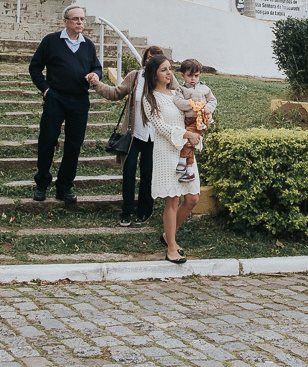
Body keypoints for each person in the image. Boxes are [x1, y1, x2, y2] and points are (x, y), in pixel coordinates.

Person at [88, 45, 173, 227]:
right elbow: (115, 93)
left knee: (148, 173)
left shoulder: (167, 79)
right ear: (145, 60)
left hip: (155, 136)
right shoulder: (135, 77)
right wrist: (96, 84)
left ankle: (144, 211)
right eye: (149, 58)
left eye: (157, 58)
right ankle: (126, 211)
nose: (152, 61)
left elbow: (177, 100)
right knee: (128, 171)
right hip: (134, 134)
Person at [29, 5, 103, 203]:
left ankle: (64, 187)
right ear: (65, 22)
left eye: (82, 19)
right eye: (76, 19)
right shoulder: (51, 41)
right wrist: (45, 89)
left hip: (79, 100)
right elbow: (35, 67)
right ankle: (42, 184)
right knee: (48, 140)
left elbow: (96, 66)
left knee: (74, 144)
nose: (80, 22)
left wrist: (96, 74)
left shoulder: (88, 45)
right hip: (55, 98)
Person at [141, 55, 200, 263]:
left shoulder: (178, 93)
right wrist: (185, 134)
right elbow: (161, 127)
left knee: (192, 198)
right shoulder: (150, 98)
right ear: (154, 74)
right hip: (167, 152)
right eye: (164, 70)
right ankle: (171, 247)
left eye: (170, 69)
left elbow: (189, 115)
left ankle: (168, 235)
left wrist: (197, 127)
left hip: (186, 150)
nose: (169, 73)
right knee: (173, 199)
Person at [172, 58, 217, 183]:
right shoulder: (180, 89)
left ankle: (182, 161)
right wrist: (192, 104)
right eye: (190, 75)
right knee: (189, 142)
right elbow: (178, 102)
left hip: (200, 120)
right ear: (182, 75)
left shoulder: (204, 88)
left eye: (196, 76)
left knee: (188, 139)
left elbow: (213, 100)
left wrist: (207, 108)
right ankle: (190, 170)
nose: (193, 79)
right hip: (187, 120)